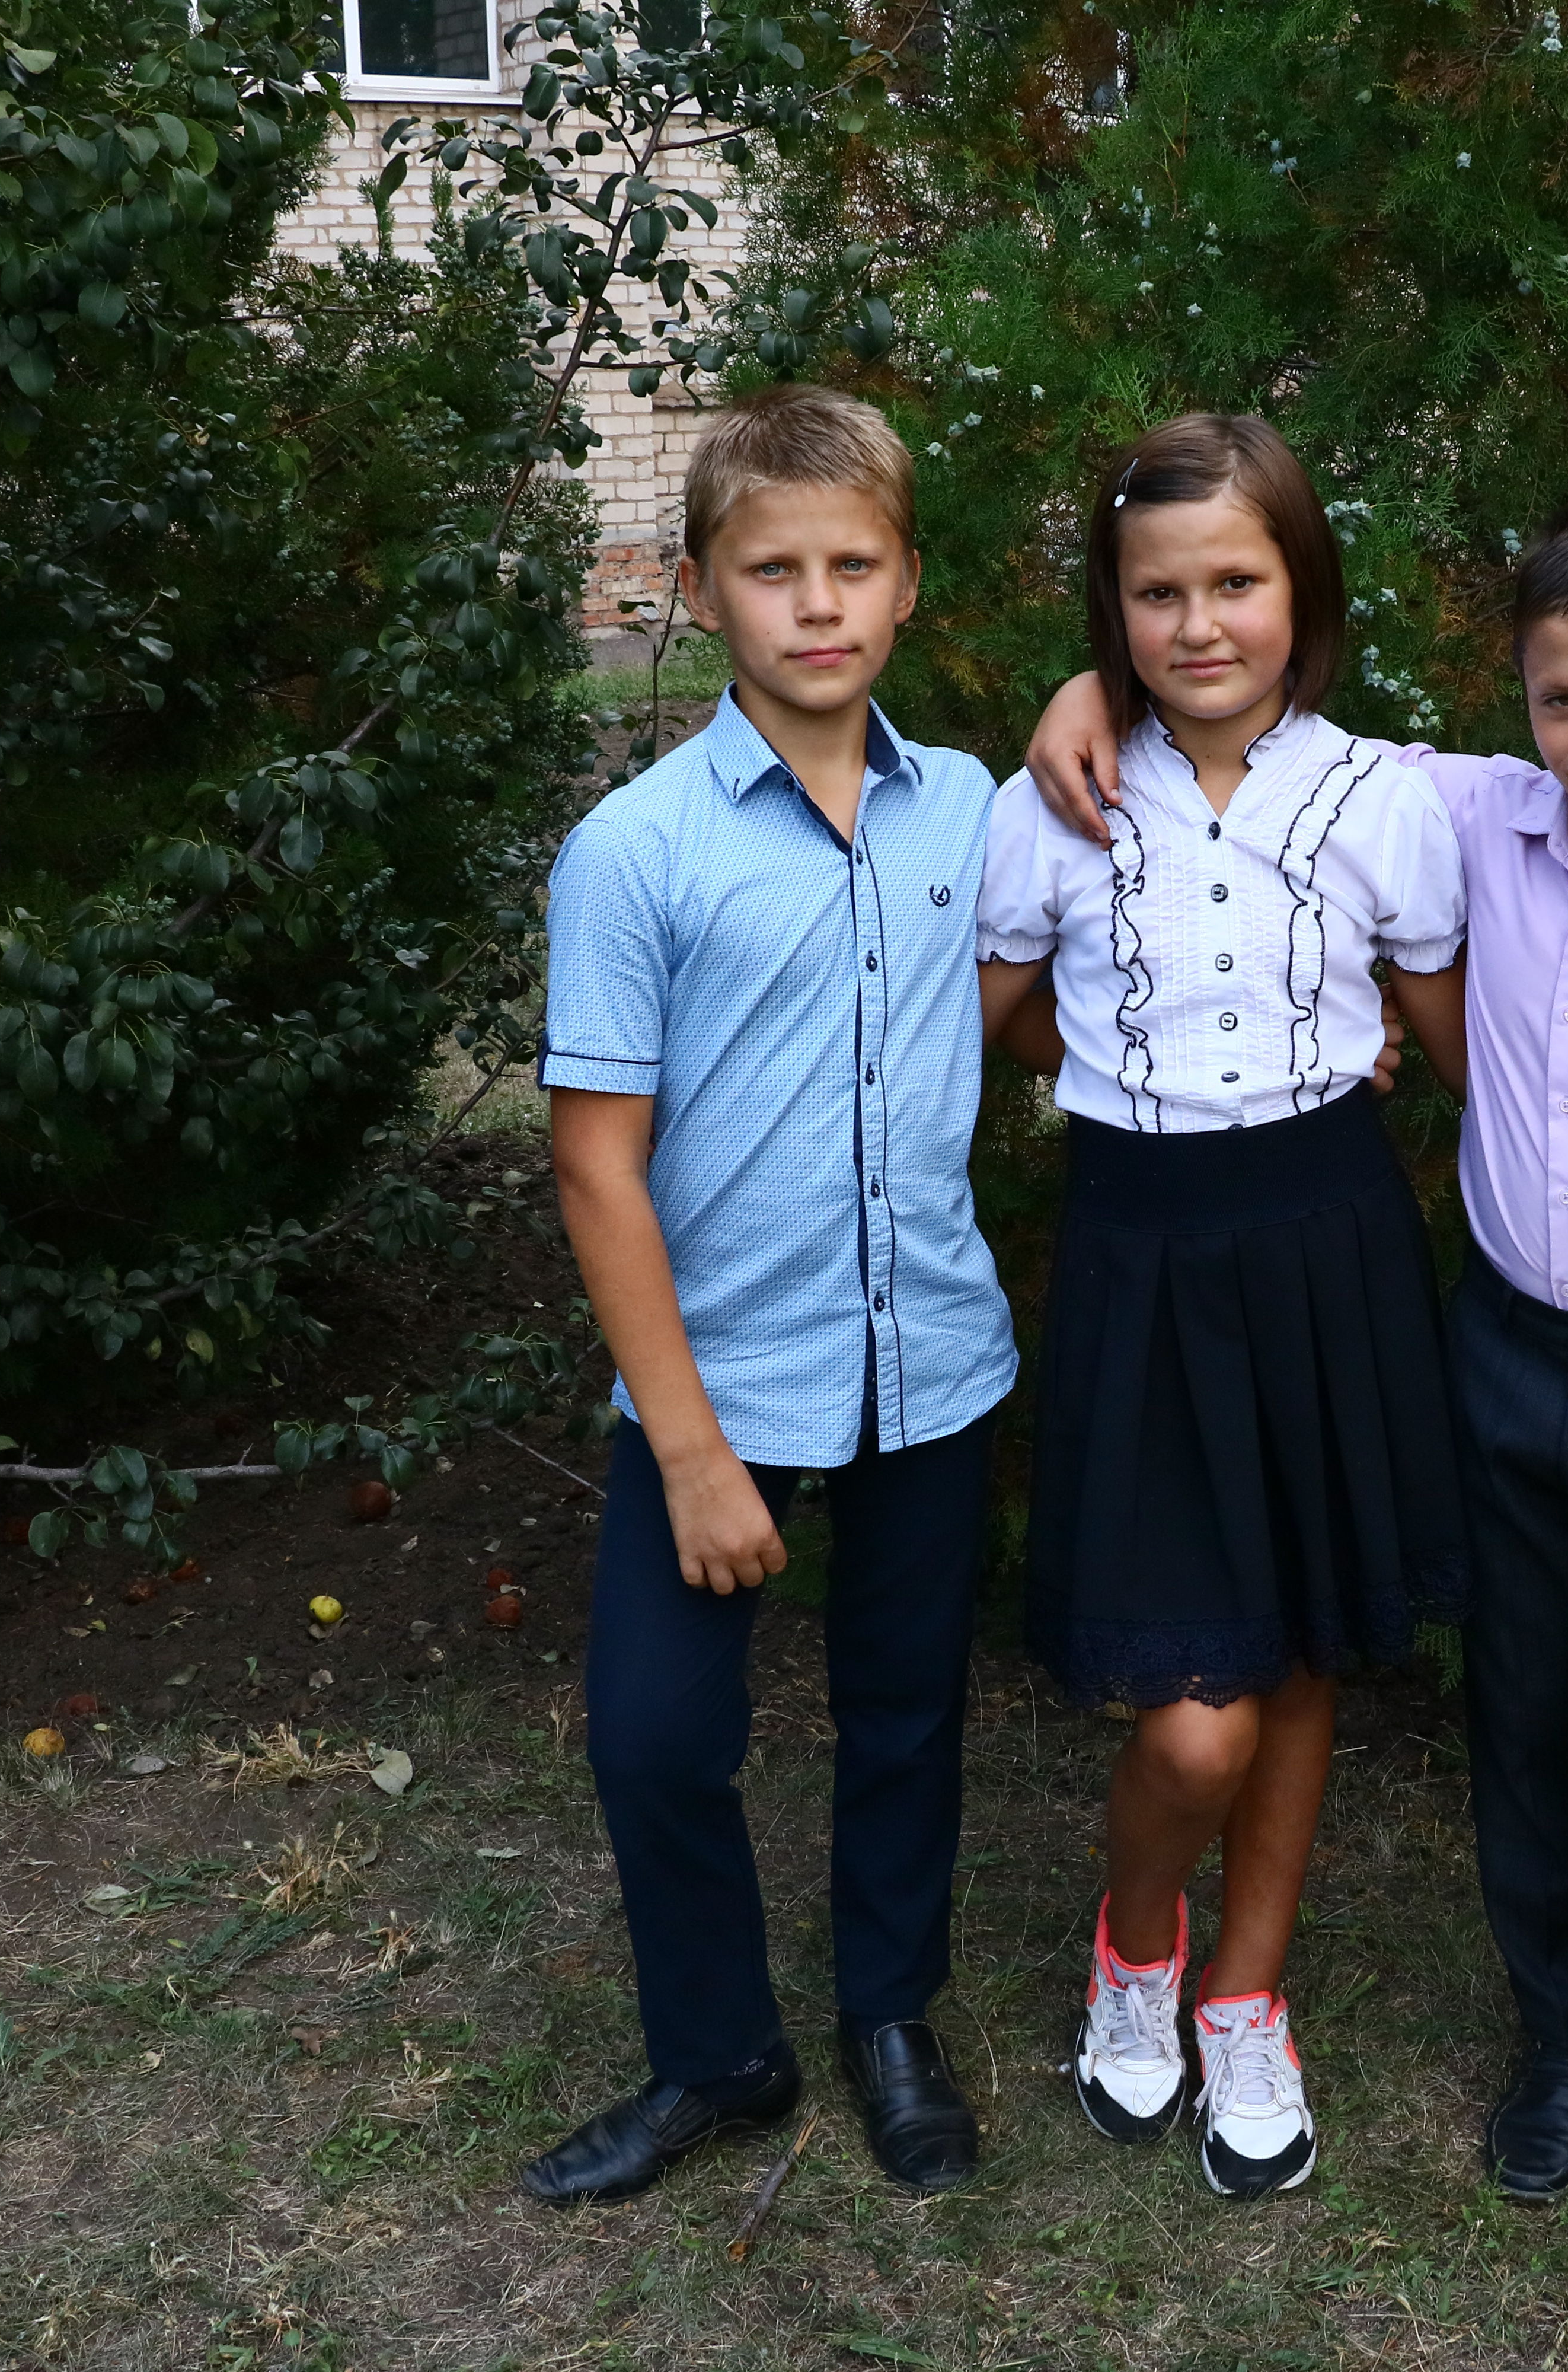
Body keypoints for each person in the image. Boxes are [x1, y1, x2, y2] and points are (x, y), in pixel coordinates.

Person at [1023, 496, 1568, 2205]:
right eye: (1564, 700)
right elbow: (1245, 721)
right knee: (1524, 1733)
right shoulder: (1472, 813)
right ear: (1523, 694)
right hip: (1498, 1363)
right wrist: (1091, 689)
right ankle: (1558, 2041)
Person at [525, 384, 1015, 2205]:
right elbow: (597, 1166)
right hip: (717, 1380)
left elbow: (1051, 975)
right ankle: (721, 2056)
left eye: (854, 566)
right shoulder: (638, 851)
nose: (819, 604)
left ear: (908, 586)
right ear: (700, 589)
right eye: (773, 569)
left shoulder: (970, 811)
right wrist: (689, 1451)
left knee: (907, 1713)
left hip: (930, 1358)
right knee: (658, 1737)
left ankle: (892, 2018)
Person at [972, 413, 1473, 2198]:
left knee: (1302, 1648)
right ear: (1112, 609)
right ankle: (1138, 1943)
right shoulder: (1054, 801)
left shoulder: (1387, 800)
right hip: (1146, 1251)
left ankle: (1248, 1994)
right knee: (1196, 1714)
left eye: (1237, 583)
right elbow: (999, 1019)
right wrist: (1125, 1069)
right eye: (1157, 592)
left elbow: (1457, 1039)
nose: (1199, 625)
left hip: (1328, 1247)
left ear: (1303, 591)